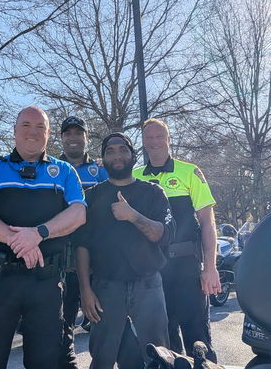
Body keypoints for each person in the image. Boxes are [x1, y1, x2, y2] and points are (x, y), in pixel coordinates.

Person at [0, 106, 87, 369]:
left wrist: (38, 234)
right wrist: (18, 240)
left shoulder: (64, 170)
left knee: (44, 362)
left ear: (48, 133)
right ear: (14, 131)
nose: (33, 132)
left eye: (40, 127)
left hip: (46, 282)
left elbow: (78, 213)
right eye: (26, 125)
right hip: (0, 280)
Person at [75, 132, 175, 369]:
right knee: (102, 358)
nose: (117, 155)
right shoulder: (92, 196)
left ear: (133, 155)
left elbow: (163, 234)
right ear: (103, 159)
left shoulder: (153, 192)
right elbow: (81, 246)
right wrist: (85, 290)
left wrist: (132, 215)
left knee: (160, 357)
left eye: (123, 149)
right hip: (106, 287)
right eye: (110, 151)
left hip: (148, 285)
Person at [133, 118, 220, 362]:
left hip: (187, 267)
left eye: (159, 136)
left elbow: (208, 223)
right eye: (149, 137)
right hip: (153, 269)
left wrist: (210, 267)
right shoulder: (135, 176)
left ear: (169, 139)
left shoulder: (189, 172)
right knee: (164, 343)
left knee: (198, 339)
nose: (154, 141)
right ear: (143, 142)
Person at [58, 115, 108, 369]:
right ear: (61, 138)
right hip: (62, 261)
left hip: (97, 261)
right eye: (68, 133)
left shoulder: (101, 170)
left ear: (87, 137)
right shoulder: (52, 168)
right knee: (62, 325)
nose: (73, 138)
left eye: (79, 133)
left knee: (103, 322)